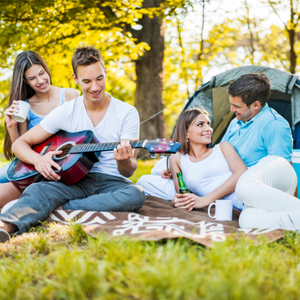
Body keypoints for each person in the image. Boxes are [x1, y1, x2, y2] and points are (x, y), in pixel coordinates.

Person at [0, 46, 145, 242]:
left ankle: (62, 208)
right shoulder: (67, 111)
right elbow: (20, 144)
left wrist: (124, 161)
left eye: (99, 78)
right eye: (86, 81)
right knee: (38, 189)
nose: (94, 87)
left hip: (111, 181)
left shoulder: (127, 112)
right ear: (75, 79)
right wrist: (39, 160)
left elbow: (128, 172)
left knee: (136, 194)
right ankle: (6, 226)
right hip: (74, 180)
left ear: (105, 72)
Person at [0, 50, 79, 209]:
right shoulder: (26, 106)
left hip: (59, 164)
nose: (40, 80)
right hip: (32, 164)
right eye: (32, 78)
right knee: (3, 173)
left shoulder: (70, 95)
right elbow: (20, 151)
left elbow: (80, 134)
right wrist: (10, 126)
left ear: (46, 68)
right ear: (25, 81)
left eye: (42, 73)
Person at [223, 73, 300, 230]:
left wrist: (291, 199)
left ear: (256, 105)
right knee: (248, 221)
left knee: (243, 185)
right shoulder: (235, 123)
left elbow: (283, 169)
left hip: (264, 184)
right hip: (250, 192)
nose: (232, 109)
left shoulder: (274, 125)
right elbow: (220, 154)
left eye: (236, 106)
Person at [169, 107, 247, 211]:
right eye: (200, 124)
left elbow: (242, 173)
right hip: (241, 209)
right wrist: (178, 201)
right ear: (186, 132)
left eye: (208, 124)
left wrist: (205, 200)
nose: (208, 129)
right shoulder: (176, 158)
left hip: (248, 193)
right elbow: (183, 195)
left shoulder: (223, 148)